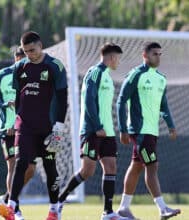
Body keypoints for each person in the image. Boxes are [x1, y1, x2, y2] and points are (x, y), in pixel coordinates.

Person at [0, 31, 68, 220]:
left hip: (49, 127)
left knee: (50, 165)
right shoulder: (19, 67)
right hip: (25, 125)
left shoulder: (55, 66)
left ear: (41, 45)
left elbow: (62, 99)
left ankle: (54, 209)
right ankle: (11, 206)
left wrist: (59, 126)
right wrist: (17, 120)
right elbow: (18, 97)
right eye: (26, 51)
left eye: (33, 50)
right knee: (21, 163)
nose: (30, 54)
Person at [57, 43, 127, 220]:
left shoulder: (108, 78)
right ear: (112, 57)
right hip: (92, 131)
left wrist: (107, 128)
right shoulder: (94, 73)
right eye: (118, 58)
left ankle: (108, 212)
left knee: (111, 167)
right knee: (87, 170)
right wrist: (96, 127)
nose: (118, 62)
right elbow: (88, 101)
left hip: (107, 132)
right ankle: (59, 201)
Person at [116, 42, 181, 220]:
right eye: (154, 54)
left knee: (136, 166)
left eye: (160, 54)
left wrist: (171, 125)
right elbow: (121, 101)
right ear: (144, 55)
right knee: (152, 166)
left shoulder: (161, 78)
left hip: (153, 131)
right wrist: (122, 129)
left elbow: (164, 106)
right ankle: (162, 209)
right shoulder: (136, 75)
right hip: (139, 131)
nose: (158, 57)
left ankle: (123, 208)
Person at [0, 47, 36, 220]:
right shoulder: (2, 75)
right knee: (14, 166)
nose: (24, 62)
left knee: (30, 169)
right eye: (21, 59)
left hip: (27, 130)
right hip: (8, 130)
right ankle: (14, 209)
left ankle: (6, 199)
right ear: (16, 58)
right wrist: (2, 103)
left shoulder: (34, 77)